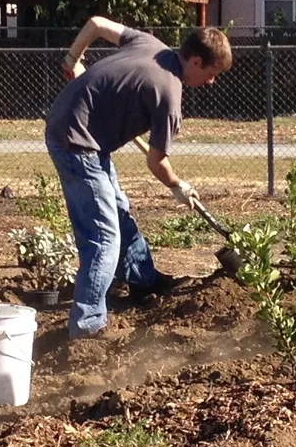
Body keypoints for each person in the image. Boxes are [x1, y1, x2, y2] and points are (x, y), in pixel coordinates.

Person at [45, 19, 233, 339]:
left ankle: (143, 280)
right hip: (75, 145)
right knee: (103, 238)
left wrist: (72, 59)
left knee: (118, 210)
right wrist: (177, 185)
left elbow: (96, 24)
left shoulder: (150, 45)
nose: (212, 82)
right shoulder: (168, 93)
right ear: (196, 61)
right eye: (212, 73)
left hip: (76, 130)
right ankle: (88, 325)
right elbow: (156, 161)